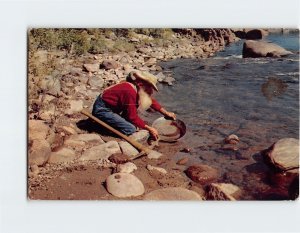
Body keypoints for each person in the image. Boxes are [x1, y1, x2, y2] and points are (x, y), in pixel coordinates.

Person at [92, 70, 176, 140]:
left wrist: (165, 113)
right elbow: (132, 116)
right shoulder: (129, 91)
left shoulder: (136, 88)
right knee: (130, 129)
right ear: (141, 84)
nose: (150, 90)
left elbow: (151, 101)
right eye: (149, 86)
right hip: (102, 109)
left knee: (135, 122)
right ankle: (102, 126)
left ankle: (111, 121)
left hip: (112, 107)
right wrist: (149, 128)